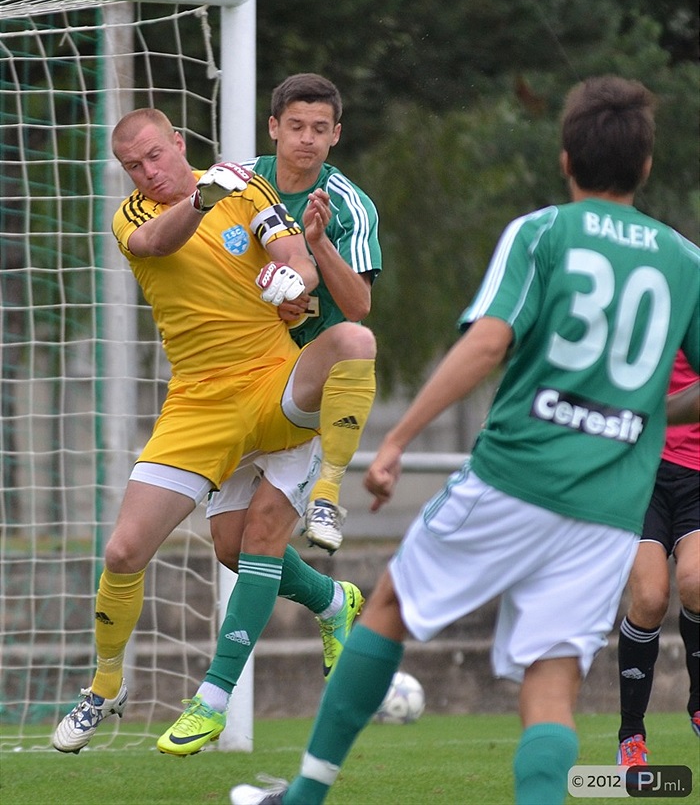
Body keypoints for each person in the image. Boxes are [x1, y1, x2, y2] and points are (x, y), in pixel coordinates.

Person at [229, 75, 700, 805]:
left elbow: (487, 344)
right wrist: (645, 416)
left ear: (566, 160)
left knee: (389, 608)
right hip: (610, 505)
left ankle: (304, 797)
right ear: (644, 166)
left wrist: (397, 439)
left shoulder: (542, 232)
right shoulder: (683, 260)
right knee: (551, 685)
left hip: (517, 472)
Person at [51, 107, 377, 756]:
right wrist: (202, 199)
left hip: (272, 382)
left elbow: (299, 261)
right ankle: (106, 686)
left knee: (353, 340)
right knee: (128, 552)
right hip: (198, 403)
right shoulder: (134, 217)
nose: (148, 171)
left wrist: (292, 276)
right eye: (133, 166)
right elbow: (157, 244)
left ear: (178, 143)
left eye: (155, 155)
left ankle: (213, 698)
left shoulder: (245, 188)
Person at [208, 72, 381, 568]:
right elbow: (205, 270)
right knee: (230, 548)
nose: (307, 138)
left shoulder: (348, 204)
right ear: (273, 128)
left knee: (263, 531)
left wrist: (319, 244)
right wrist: (266, 302)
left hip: (307, 380)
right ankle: (334, 600)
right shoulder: (234, 185)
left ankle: (327, 490)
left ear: (336, 135)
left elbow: (358, 306)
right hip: (243, 373)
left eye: (319, 128)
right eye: (297, 126)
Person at [616, 350, 700, 767]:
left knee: (697, 583)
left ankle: (698, 702)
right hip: (642, 471)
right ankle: (631, 734)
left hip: (697, 475)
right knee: (649, 599)